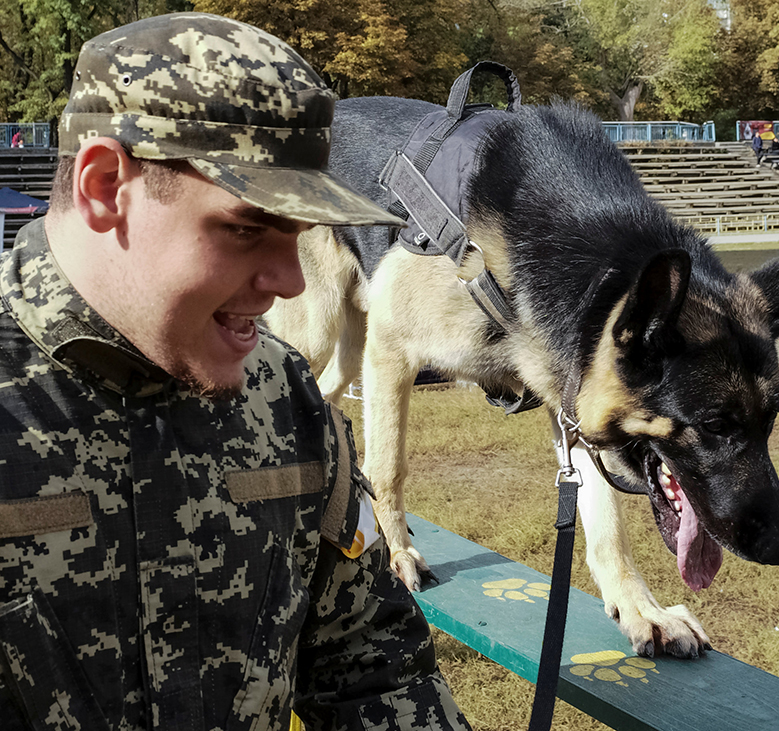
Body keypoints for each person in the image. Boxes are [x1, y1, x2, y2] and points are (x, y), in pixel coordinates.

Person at [0, 13, 471, 731]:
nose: (288, 280)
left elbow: (369, 662)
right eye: (248, 228)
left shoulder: (290, 402)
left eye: (300, 233)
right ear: (104, 186)